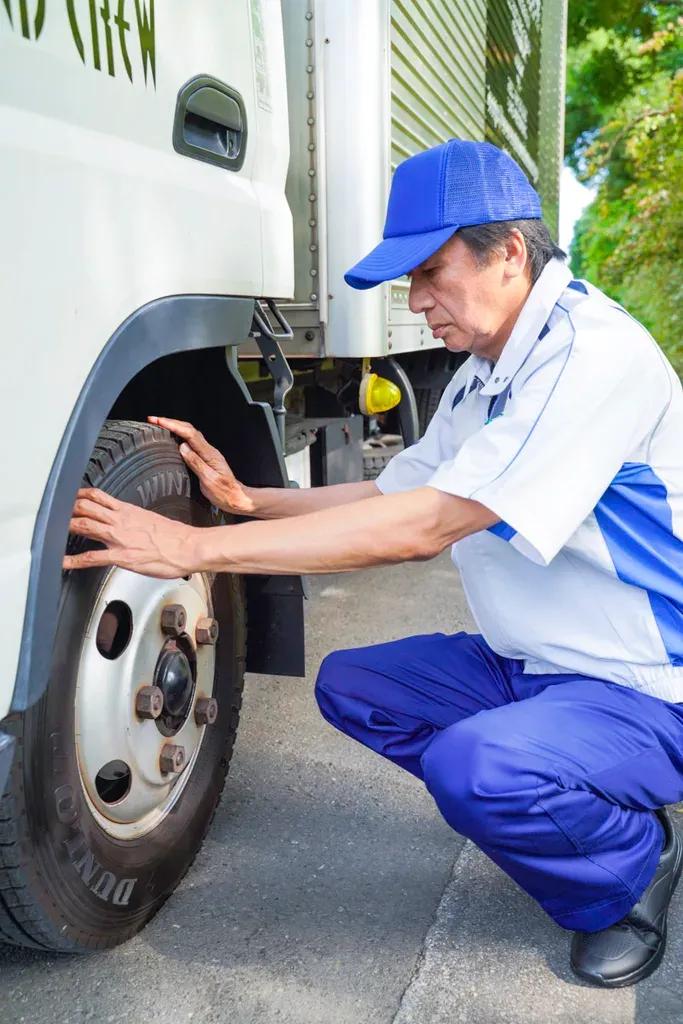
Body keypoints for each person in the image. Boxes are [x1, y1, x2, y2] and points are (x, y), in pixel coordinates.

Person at [64, 139, 683, 988]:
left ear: (508, 251)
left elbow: (426, 527)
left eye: (430, 273)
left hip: (644, 687)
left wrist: (194, 547)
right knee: (355, 685)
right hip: (534, 668)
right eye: (410, 281)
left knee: (478, 769)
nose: (417, 301)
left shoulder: (590, 357)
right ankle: (562, 787)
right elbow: (392, 495)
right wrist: (249, 501)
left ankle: (626, 866)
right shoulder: (482, 373)